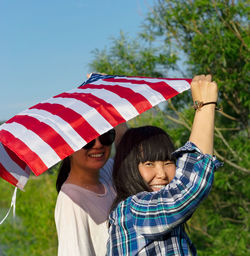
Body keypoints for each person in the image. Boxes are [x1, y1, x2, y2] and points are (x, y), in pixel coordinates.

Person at [106, 74, 222, 255]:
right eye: (149, 163)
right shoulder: (135, 210)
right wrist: (205, 106)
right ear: (129, 168)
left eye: (168, 162)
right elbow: (188, 187)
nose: (161, 173)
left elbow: (126, 150)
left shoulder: (148, 210)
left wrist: (111, 102)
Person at [54, 123, 127, 256]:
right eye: (86, 139)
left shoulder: (107, 171)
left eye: (105, 135)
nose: (98, 144)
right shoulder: (71, 202)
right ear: (66, 147)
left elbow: (126, 149)